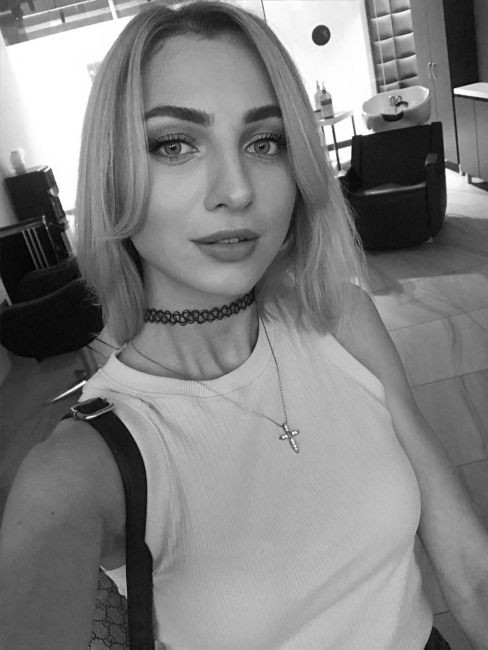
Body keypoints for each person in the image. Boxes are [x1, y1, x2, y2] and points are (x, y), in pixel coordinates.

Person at [1, 2, 487, 648]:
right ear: (113, 176)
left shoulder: (340, 319)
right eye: (174, 144)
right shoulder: (87, 462)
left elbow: (471, 572)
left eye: (265, 143)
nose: (236, 190)